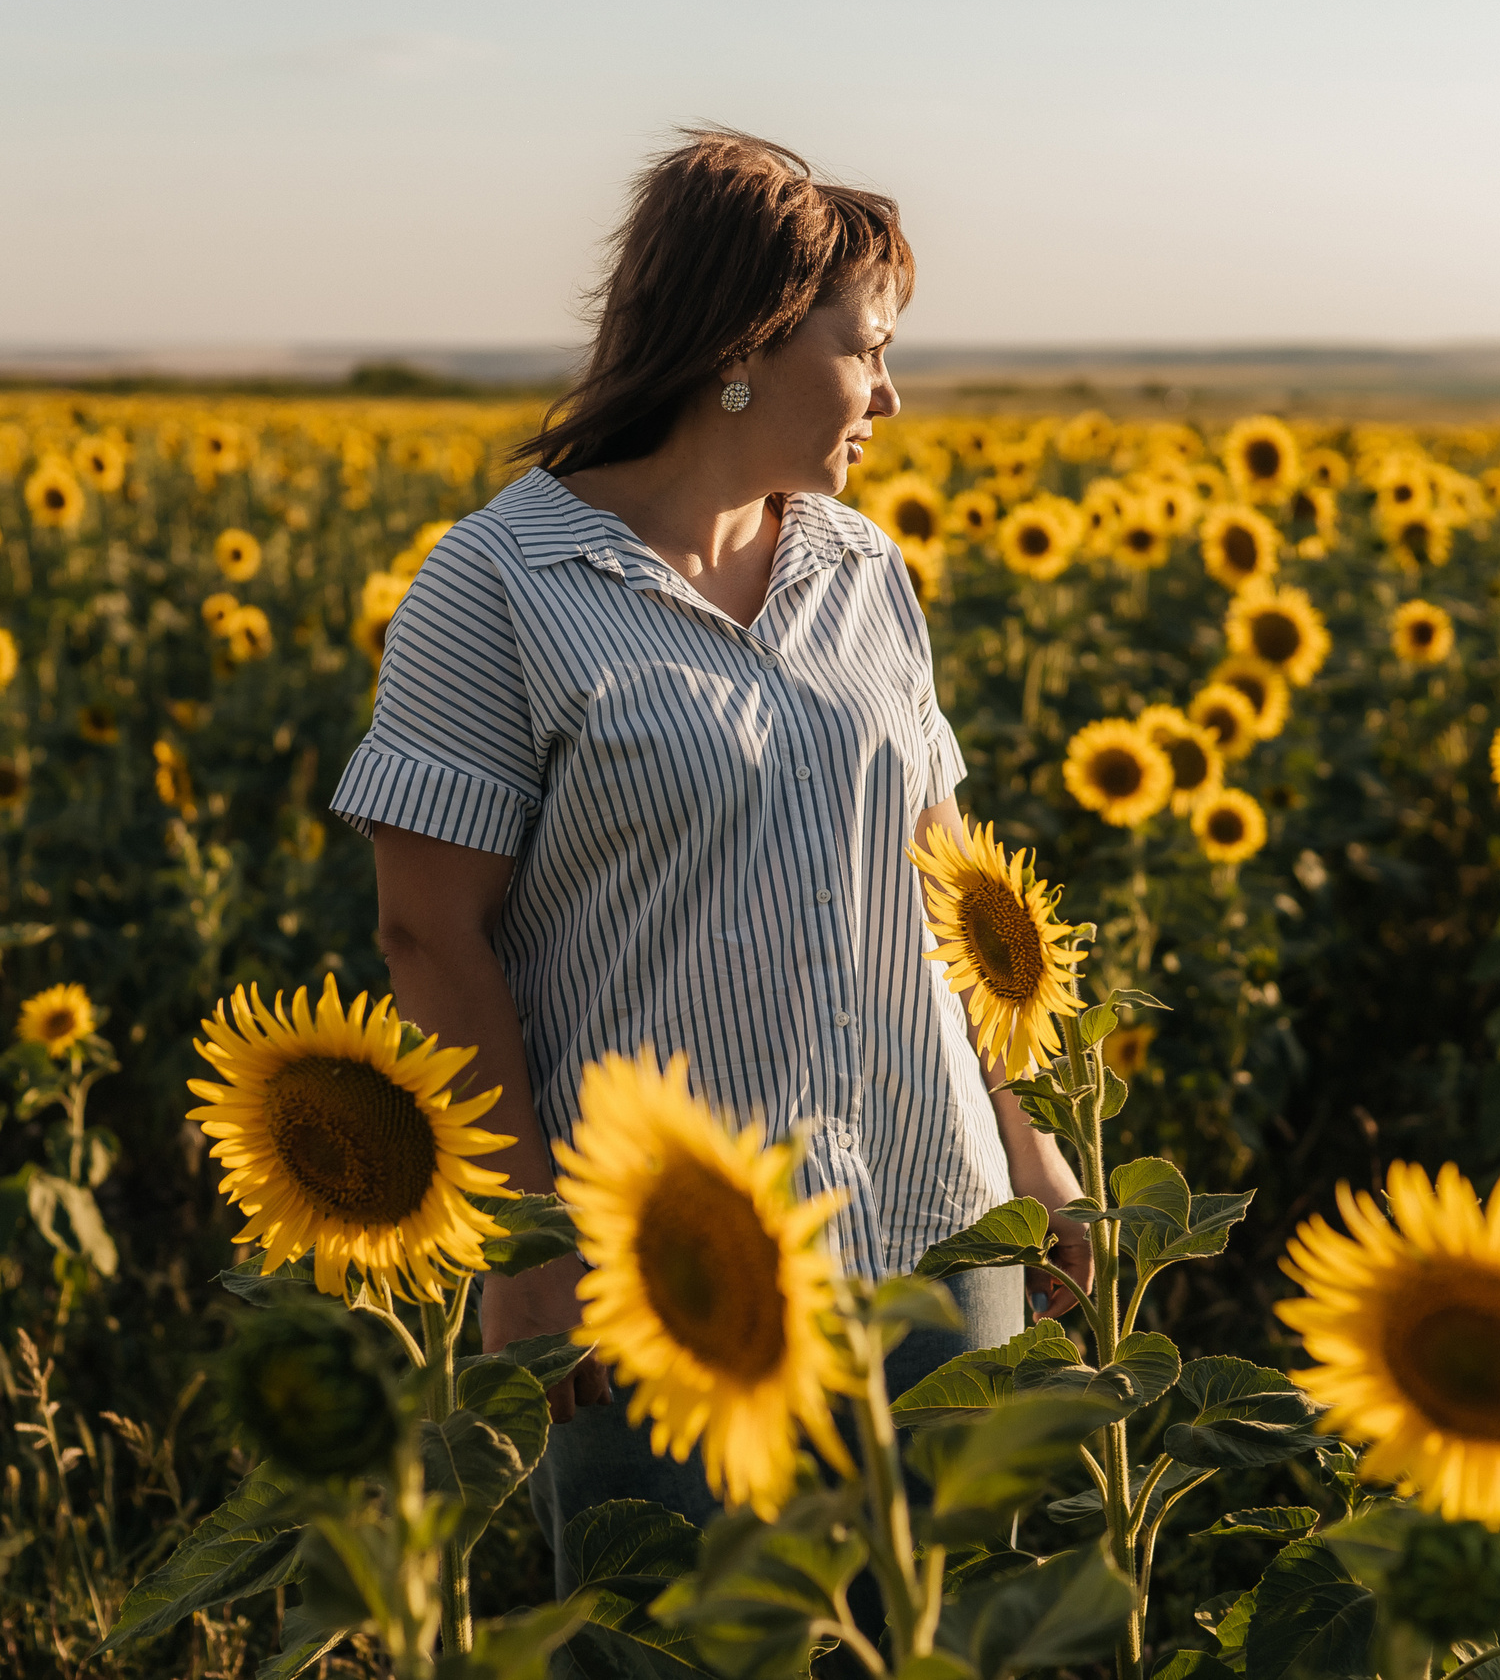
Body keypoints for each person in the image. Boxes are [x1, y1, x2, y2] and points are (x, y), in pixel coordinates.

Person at [328, 130, 1088, 1587]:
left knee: (959, 1628)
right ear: (745, 343)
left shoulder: (861, 570)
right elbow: (433, 940)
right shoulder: (495, 589)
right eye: (867, 350)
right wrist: (530, 1258)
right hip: (674, 1291)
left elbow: (951, 884)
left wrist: (1035, 1150)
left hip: (936, 1226)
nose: (891, 392)